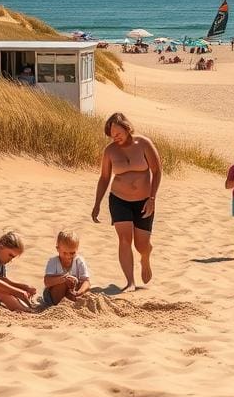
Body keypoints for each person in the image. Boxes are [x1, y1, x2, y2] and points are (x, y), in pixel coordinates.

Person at [91, 113, 162, 293]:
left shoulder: (144, 143)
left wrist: (152, 198)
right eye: (112, 134)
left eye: (118, 132)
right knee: (124, 239)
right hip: (119, 200)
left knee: (141, 245)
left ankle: (145, 257)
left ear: (126, 127)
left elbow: (157, 171)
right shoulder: (110, 151)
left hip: (144, 201)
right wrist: (97, 203)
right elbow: (105, 177)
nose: (115, 137)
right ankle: (130, 281)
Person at [42, 229, 91, 306]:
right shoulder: (53, 261)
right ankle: (59, 306)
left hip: (72, 292)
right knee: (62, 284)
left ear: (77, 249)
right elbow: (47, 282)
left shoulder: (79, 261)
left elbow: (86, 281)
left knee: (85, 288)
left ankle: (73, 302)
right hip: (54, 295)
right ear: (58, 249)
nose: (68, 256)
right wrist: (63, 279)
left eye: (72, 253)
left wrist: (80, 292)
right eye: (64, 253)